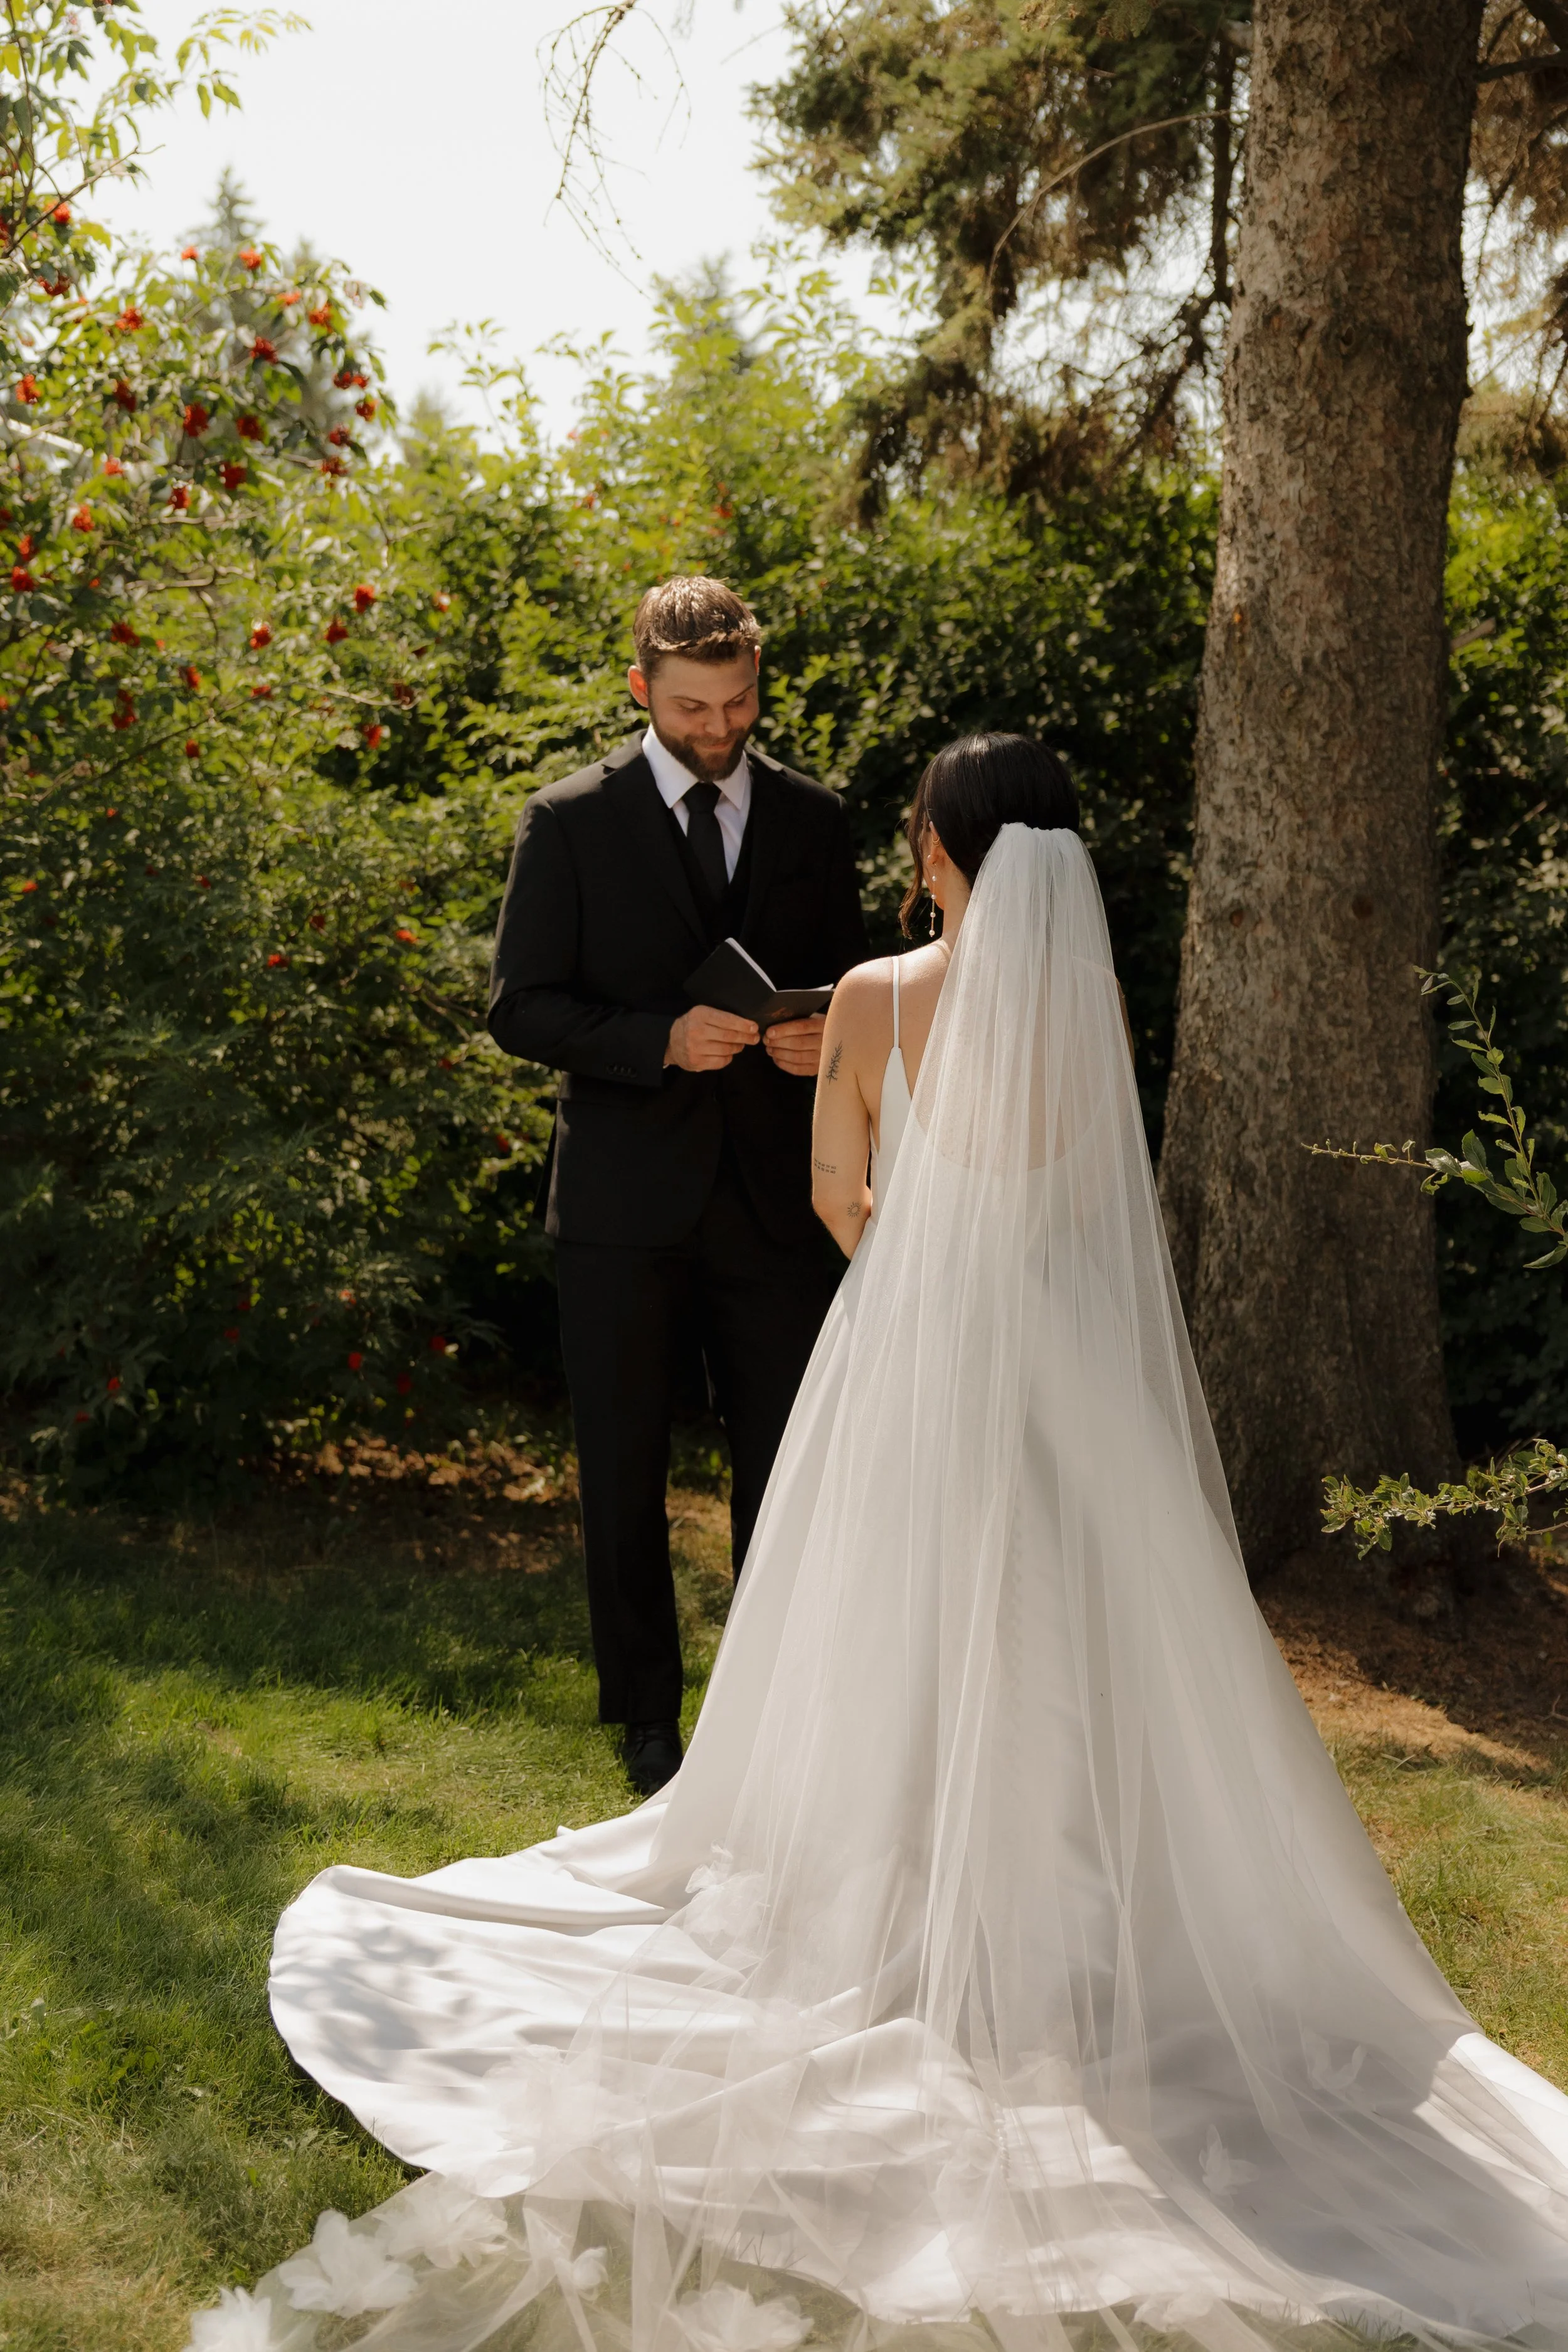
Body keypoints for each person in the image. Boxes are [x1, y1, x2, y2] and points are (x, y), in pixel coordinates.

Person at [214, 735, 1568, 2352]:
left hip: (918, 1355)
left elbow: (841, 1199)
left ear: (933, 849)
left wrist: (909, 1231)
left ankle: (896, 1903)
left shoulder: (869, 997)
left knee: (891, 1623)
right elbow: (1087, 1209)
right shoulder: (1083, 1008)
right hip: (1069, 1366)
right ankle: (1079, 1922)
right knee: (1083, 1633)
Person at [486, 576, 867, 1796]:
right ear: (641, 688)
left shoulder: (814, 819)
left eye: (738, 701)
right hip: (618, 1210)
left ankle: (769, 1719)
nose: (719, 727)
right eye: (695, 706)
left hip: (775, 1203)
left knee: (784, 1469)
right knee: (625, 1471)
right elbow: (519, 1006)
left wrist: (827, 1042)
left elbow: (851, 982)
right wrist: (655, 1040)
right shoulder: (566, 821)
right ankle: (646, 1722)